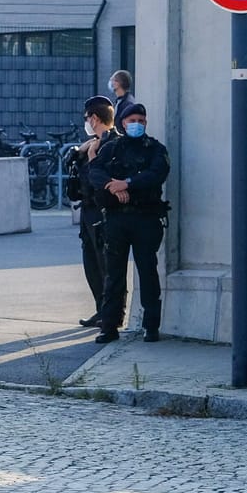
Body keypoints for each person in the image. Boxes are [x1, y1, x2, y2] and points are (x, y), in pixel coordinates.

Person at [86, 103, 170, 344]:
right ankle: (109, 326)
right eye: (133, 120)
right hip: (116, 218)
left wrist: (128, 183)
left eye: (142, 121)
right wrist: (113, 185)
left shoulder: (155, 149)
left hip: (146, 217)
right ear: (123, 123)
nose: (137, 124)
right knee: (114, 274)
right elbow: (95, 172)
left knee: (147, 272)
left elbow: (157, 173)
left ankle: (151, 327)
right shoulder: (112, 148)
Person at [66, 96, 118, 327]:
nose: (86, 122)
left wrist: (90, 156)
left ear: (95, 118)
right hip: (88, 210)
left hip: (103, 211)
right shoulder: (92, 143)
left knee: (106, 264)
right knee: (92, 264)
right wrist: (79, 153)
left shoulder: (113, 144)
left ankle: (112, 314)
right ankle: (101, 309)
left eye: (87, 118)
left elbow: (101, 178)